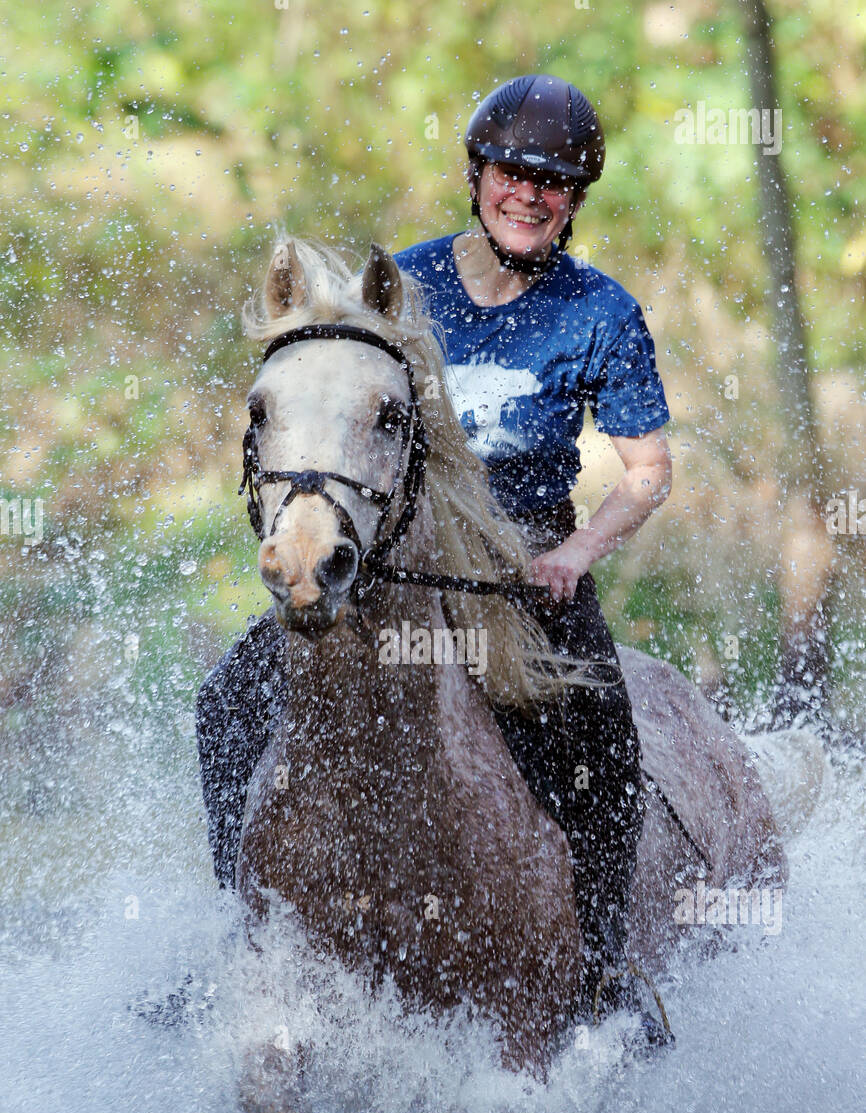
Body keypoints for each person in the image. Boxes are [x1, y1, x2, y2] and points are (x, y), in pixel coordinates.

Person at [196, 73, 673, 1036]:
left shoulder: (600, 312)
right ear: (477, 174)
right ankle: (237, 939)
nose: (531, 194)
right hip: (392, 552)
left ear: (576, 199)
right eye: (513, 173)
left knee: (605, 741)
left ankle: (601, 968)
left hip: (524, 561)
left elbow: (648, 471)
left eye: (557, 181)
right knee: (225, 703)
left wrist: (578, 552)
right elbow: (326, 406)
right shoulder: (402, 289)